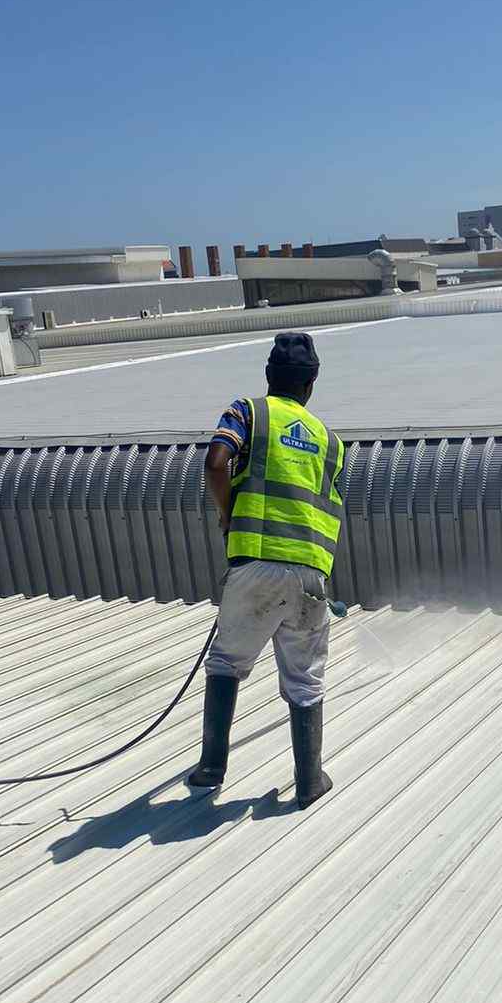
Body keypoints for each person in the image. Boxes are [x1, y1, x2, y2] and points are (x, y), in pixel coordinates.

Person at [188, 332, 345, 808]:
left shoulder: (249, 413)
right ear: (311, 384)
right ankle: (309, 781)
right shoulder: (330, 442)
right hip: (311, 576)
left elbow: (216, 463)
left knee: (226, 662)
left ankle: (211, 768)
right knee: (305, 677)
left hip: (256, 563)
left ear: (269, 376)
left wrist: (227, 516)